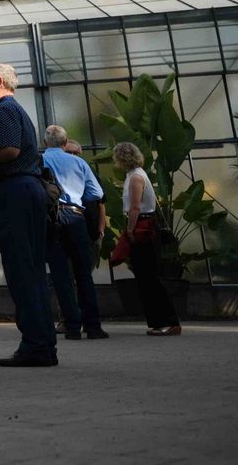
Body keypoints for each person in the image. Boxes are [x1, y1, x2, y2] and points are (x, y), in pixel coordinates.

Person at [0, 63, 58, 367]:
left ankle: (36, 346)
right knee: (29, 269)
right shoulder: (13, 110)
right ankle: (41, 342)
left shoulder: (4, 110)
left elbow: (9, 151)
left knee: (21, 270)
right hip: (24, 191)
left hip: (14, 193)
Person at [42, 125, 109, 341]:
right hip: (76, 217)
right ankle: (94, 326)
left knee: (61, 275)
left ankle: (72, 326)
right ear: (65, 142)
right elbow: (95, 193)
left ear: (45, 143)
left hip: (51, 219)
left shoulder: (39, 162)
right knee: (83, 273)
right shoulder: (79, 163)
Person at [114, 142, 181, 336]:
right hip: (145, 225)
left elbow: (135, 207)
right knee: (145, 277)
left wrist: (130, 229)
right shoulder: (136, 175)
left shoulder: (135, 177)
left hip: (142, 226)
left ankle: (168, 320)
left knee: (149, 276)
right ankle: (158, 320)